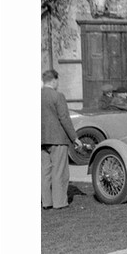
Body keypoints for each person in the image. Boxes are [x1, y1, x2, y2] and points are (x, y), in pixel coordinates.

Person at [41, 69, 82, 210]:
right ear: (54, 80)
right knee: (59, 171)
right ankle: (59, 202)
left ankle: (46, 202)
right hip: (57, 138)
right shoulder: (58, 96)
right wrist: (74, 138)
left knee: (44, 172)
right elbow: (64, 118)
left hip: (41, 139)